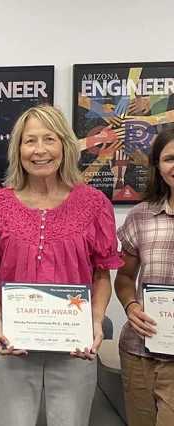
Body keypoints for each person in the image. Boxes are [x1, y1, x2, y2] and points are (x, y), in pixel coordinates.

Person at [0, 104, 123, 426]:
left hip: (74, 344)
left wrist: (94, 323)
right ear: (18, 149)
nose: (40, 150)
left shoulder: (95, 204)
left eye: (49, 139)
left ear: (64, 146)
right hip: (11, 342)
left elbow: (101, 274)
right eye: (30, 141)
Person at [114, 125, 174, 426]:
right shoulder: (141, 215)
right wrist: (131, 306)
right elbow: (124, 278)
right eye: (170, 158)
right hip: (140, 350)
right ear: (158, 166)